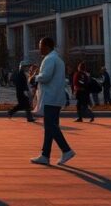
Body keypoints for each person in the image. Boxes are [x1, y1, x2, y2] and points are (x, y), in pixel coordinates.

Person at [30, 37, 75, 166]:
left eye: (40, 46)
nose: (39, 49)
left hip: (50, 98)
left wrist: (34, 78)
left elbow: (46, 77)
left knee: (50, 126)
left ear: (47, 46)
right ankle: (45, 155)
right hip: (55, 97)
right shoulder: (57, 59)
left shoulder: (49, 59)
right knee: (50, 127)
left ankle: (66, 150)